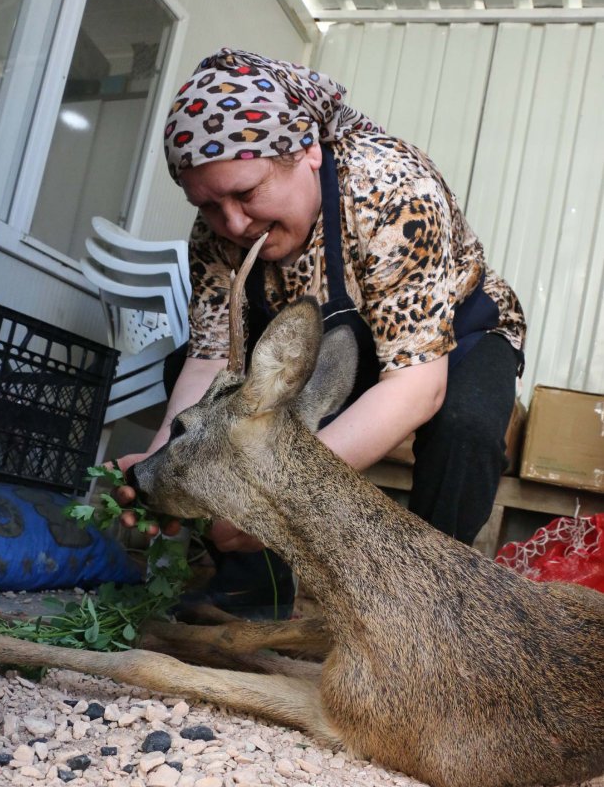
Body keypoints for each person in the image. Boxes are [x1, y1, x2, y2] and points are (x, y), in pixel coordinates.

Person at [116, 47, 526, 618]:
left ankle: (425, 608)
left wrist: (277, 502)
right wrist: (158, 466)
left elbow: (416, 386)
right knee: (196, 384)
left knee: (466, 428)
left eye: (248, 193)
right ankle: (256, 586)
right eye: (209, 205)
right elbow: (210, 360)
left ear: (307, 151)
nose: (233, 224)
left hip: (453, 341)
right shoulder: (216, 235)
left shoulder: (391, 189)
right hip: (333, 350)